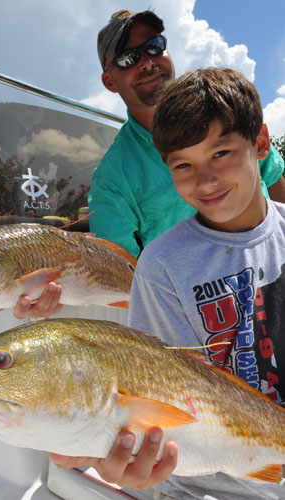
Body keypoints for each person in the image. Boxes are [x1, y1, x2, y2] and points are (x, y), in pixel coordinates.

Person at [125, 67, 285, 499]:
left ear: (261, 143)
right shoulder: (161, 267)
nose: (205, 180)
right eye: (183, 164)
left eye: (220, 153)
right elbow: (168, 402)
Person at [88, 9, 285, 258]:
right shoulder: (111, 181)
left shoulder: (227, 108)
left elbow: (275, 180)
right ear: (109, 82)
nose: (148, 63)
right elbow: (121, 272)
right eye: (128, 59)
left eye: (154, 46)